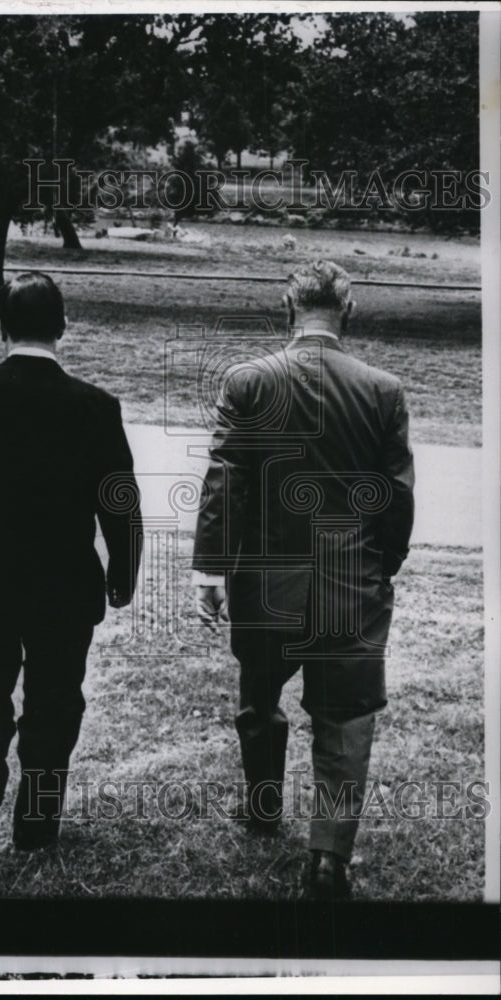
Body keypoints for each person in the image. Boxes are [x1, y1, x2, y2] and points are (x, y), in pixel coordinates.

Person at [192, 260, 414, 899]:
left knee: (260, 696)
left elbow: (224, 482)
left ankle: (263, 808)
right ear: (349, 308)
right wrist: (382, 566)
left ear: (288, 307)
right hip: (352, 583)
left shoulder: (249, 382)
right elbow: (395, 497)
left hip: (267, 584)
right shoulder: (382, 389)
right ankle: (328, 859)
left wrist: (210, 569)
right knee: (345, 719)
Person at [0, 271, 142, 867]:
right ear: (63, 326)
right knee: (55, 698)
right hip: (64, 581)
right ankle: (37, 820)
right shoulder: (96, 406)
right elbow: (120, 502)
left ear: (1, 325)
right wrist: (123, 570)